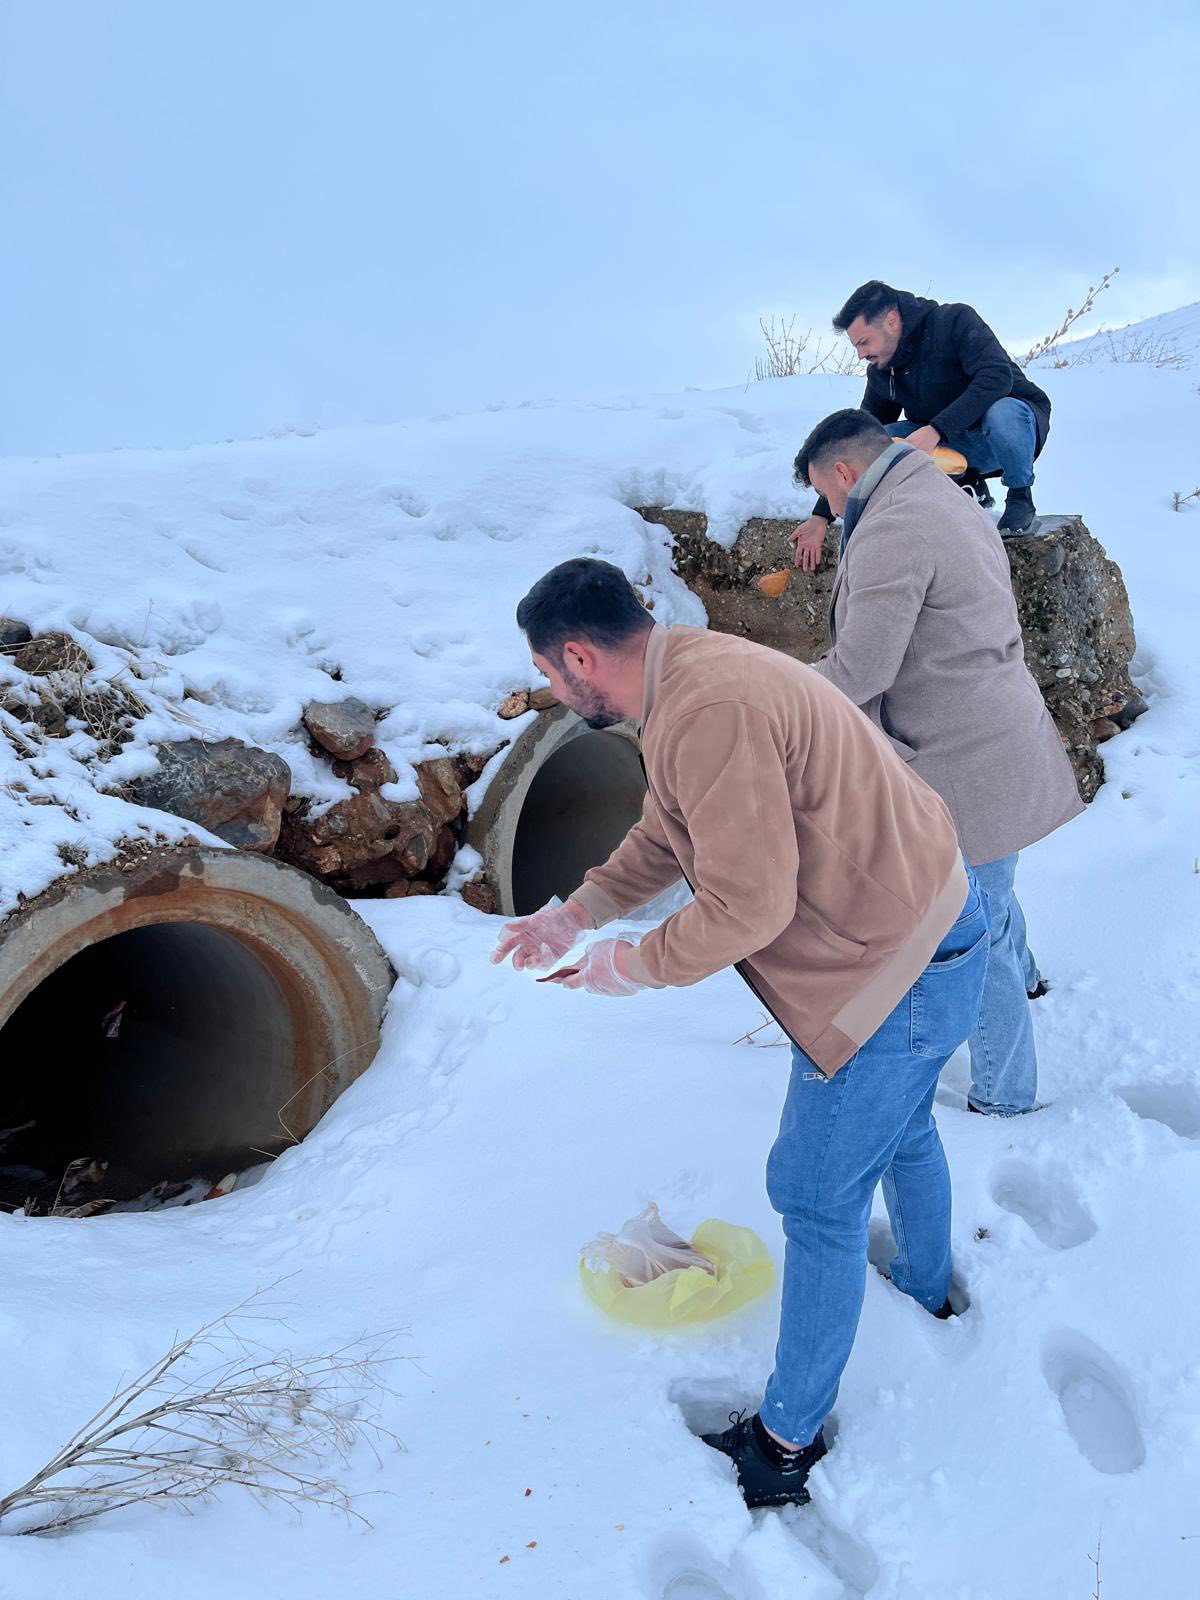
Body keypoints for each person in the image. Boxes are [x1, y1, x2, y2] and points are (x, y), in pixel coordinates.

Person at [491, 556, 990, 1509]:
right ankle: (927, 1286)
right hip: (917, 928)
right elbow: (668, 828)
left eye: (554, 675)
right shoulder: (688, 674)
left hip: (894, 965)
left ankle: (784, 1443)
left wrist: (632, 965)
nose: (554, 691)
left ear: (581, 656)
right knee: (903, 1125)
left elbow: (749, 905)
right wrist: (580, 912)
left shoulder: (706, 709)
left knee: (813, 1191)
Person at [796, 408, 1084, 1115]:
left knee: (968, 932)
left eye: (827, 497)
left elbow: (861, 668)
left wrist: (778, 692)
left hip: (959, 756)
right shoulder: (940, 495)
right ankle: (1034, 981)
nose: (831, 512)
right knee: (991, 885)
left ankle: (1007, 1094)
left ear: (843, 471)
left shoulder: (895, 526)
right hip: (995, 736)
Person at [791, 280, 1052, 569]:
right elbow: (860, 442)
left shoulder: (954, 321)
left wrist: (936, 429)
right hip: (953, 446)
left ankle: (1020, 497)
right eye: (856, 346)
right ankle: (966, 482)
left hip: (1007, 434)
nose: (860, 354)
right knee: (885, 439)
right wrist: (820, 516)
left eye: (864, 342)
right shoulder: (882, 370)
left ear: (891, 322)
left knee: (1002, 412)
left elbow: (997, 378)